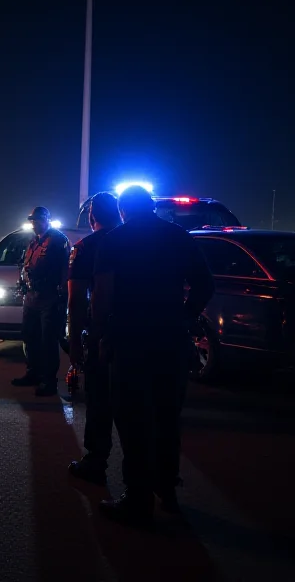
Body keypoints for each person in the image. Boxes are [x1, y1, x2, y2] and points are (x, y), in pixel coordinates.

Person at [91, 185, 214, 525]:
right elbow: (206, 284)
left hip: (130, 338)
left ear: (122, 211)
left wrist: (97, 337)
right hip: (171, 339)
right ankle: (167, 488)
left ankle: (138, 497)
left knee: (132, 418)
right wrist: (186, 315)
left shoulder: (114, 241)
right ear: (151, 207)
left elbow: (102, 296)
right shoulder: (179, 237)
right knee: (166, 415)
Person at [66, 192, 122, 485]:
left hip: (101, 335)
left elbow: (76, 300)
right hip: (137, 335)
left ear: (92, 217)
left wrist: (75, 340)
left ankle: (96, 460)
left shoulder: (86, 246)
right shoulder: (135, 242)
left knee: (99, 400)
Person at [11, 206, 70, 396]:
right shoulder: (34, 242)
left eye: (38, 220)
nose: (35, 223)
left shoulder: (58, 240)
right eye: (33, 220)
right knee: (30, 336)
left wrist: (62, 295)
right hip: (32, 297)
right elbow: (25, 265)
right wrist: (22, 284)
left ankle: (49, 381)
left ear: (46, 220)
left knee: (48, 341)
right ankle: (33, 374)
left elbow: (65, 269)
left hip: (49, 297)